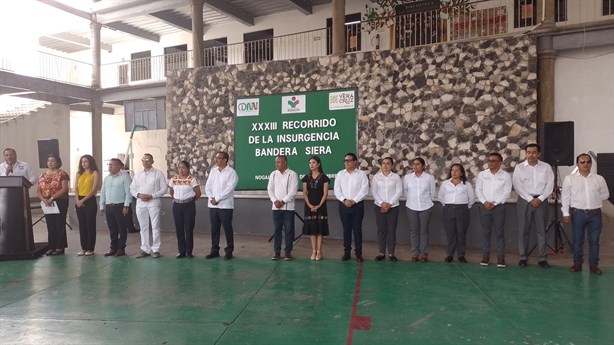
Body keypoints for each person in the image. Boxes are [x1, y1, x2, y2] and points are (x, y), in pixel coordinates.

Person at [561, 154, 610, 275]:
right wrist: (565, 213)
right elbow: (565, 197)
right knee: (578, 240)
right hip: (578, 213)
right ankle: (577, 263)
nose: (585, 164)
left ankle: (594, 265)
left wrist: (594, 196)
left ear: (591, 164)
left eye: (588, 162)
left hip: (595, 214)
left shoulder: (599, 179)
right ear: (577, 164)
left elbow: (605, 195)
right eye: (582, 162)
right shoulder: (570, 179)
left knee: (594, 241)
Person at [512, 143, 554, 268]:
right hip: (525, 200)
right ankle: (523, 257)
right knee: (523, 230)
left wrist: (540, 198)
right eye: (529, 152)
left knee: (541, 230)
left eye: (534, 152)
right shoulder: (519, 168)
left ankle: (542, 258)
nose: (531, 155)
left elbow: (550, 184)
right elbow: (517, 185)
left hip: (542, 200)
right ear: (526, 154)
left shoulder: (546, 167)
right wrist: (530, 199)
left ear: (539, 154)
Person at [475, 152, 512, 268]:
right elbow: (478, 190)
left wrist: (495, 203)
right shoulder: (482, 174)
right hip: (484, 206)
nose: (491, 163)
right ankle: (485, 256)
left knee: (499, 233)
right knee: (486, 232)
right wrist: (484, 202)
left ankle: (501, 258)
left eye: (494, 161)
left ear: (500, 162)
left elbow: (507, 193)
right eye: (489, 161)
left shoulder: (505, 176)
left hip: (499, 207)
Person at [130, 153, 167, 258]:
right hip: (140, 204)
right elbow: (132, 188)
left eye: (147, 160)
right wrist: (138, 195)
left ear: (152, 161)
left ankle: (156, 249)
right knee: (143, 227)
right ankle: (145, 249)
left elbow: (164, 189)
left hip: (153, 203)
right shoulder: (138, 174)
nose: (145, 162)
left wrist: (152, 196)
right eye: (143, 160)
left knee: (155, 227)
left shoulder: (158, 173)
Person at [334, 152, 369, 262]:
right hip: (344, 205)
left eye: (349, 160)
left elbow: (364, 190)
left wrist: (354, 200)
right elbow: (337, 190)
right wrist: (344, 200)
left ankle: (358, 253)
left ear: (355, 162)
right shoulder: (340, 174)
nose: (347, 163)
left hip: (357, 205)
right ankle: (347, 253)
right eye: (345, 161)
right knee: (346, 229)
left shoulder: (361, 174)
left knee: (357, 229)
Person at [438, 163, 475, 263]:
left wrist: (464, 207)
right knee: (450, 233)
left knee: (461, 233)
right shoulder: (445, 183)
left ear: (461, 173)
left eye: (457, 170)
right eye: (452, 170)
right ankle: (450, 254)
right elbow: (441, 197)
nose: (454, 172)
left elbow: (471, 198)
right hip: (448, 209)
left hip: (462, 210)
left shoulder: (466, 184)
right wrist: (448, 206)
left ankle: (461, 255)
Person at [204, 151, 239, 260]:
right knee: (214, 229)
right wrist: (212, 198)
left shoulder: (231, 173)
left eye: (219, 158)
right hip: (213, 205)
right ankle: (214, 250)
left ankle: (229, 251)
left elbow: (229, 189)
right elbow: (208, 186)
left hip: (225, 206)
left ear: (225, 160)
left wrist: (218, 198)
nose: (216, 159)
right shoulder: (213, 171)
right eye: (216, 157)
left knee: (227, 228)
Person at [403, 157, 436, 263]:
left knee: (424, 231)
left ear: (423, 166)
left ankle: (423, 254)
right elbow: (405, 191)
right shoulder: (408, 177)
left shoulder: (429, 178)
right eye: (413, 164)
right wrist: (412, 201)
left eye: (417, 164)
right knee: (414, 230)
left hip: (425, 207)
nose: (415, 166)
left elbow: (432, 193)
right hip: (411, 207)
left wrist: (427, 202)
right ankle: (415, 253)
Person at [267, 155, 299, 261]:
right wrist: (275, 200)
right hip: (276, 207)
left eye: (279, 162)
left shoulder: (292, 174)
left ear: (285, 162)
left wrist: (282, 201)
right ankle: (277, 252)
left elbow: (293, 192)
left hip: (288, 208)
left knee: (289, 230)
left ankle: (288, 252)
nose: (276, 164)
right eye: (276, 162)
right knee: (277, 230)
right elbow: (270, 189)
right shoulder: (273, 174)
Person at [37, 154, 70, 255]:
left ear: (58, 162)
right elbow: (38, 190)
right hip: (47, 203)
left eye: (52, 160)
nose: (50, 162)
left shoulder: (62, 174)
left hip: (60, 201)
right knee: (50, 225)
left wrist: (52, 198)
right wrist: (43, 199)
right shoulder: (42, 175)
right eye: (48, 160)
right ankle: (52, 246)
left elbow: (64, 189)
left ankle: (60, 247)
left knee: (59, 224)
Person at [371, 157, 402, 262]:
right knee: (381, 230)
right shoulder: (376, 177)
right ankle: (381, 253)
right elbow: (374, 192)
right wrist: (382, 203)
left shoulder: (396, 177)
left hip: (393, 207)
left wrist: (389, 204)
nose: (385, 165)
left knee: (391, 230)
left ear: (392, 166)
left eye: (388, 163)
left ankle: (391, 253)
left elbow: (399, 191)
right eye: (383, 163)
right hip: (379, 206)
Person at [99, 158, 132, 257]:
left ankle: (121, 248)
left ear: (119, 166)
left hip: (120, 206)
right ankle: (113, 248)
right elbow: (103, 192)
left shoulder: (125, 177)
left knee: (122, 228)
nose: (110, 166)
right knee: (112, 229)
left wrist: (126, 205)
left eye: (112, 165)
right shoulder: (107, 178)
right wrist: (101, 205)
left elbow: (128, 192)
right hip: (109, 206)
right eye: (109, 165)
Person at [169, 160, 201, 259]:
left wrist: (190, 201)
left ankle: (189, 252)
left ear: (188, 169)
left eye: (183, 167)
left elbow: (198, 193)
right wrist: (178, 199)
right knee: (179, 229)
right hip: (177, 206)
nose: (181, 169)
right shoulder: (173, 179)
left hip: (189, 206)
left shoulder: (192, 179)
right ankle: (181, 251)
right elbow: (171, 192)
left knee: (188, 229)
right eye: (179, 167)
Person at [302, 156, 330, 261]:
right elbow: (304, 193)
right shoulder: (306, 178)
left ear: (318, 164)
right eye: (310, 163)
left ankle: (319, 251)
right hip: (309, 207)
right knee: (312, 230)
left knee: (319, 229)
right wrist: (309, 205)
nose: (311, 165)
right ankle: (313, 250)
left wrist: (319, 205)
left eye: (313, 162)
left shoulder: (324, 178)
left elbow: (325, 193)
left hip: (321, 207)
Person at [74, 154, 100, 256]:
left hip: (89, 200)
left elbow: (94, 190)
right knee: (82, 225)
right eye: (82, 162)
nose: (84, 164)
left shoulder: (95, 173)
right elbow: (75, 188)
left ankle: (90, 248)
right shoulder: (79, 173)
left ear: (90, 162)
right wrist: (77, 200)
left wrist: (83, 200)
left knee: (90, 224)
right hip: (79, 199)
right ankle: (84, 248)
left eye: (86, 161)